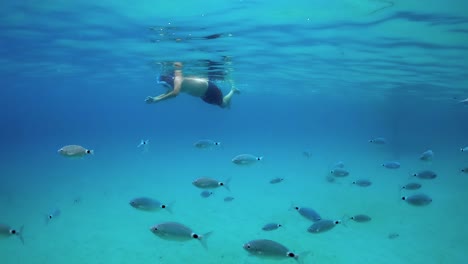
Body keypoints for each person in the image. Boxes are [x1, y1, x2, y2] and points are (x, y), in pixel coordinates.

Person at [145, 62, 240, 108]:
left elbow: (174, 94)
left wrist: (156, 100)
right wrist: (154, 98)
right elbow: (168, 93)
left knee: (223, 105)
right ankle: (232, 91)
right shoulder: (174, 85)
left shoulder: (178, 82)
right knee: (223, 105)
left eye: (164, 84)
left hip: (211, 91)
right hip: (203, 94)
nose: (164, 87)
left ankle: (233, 90)